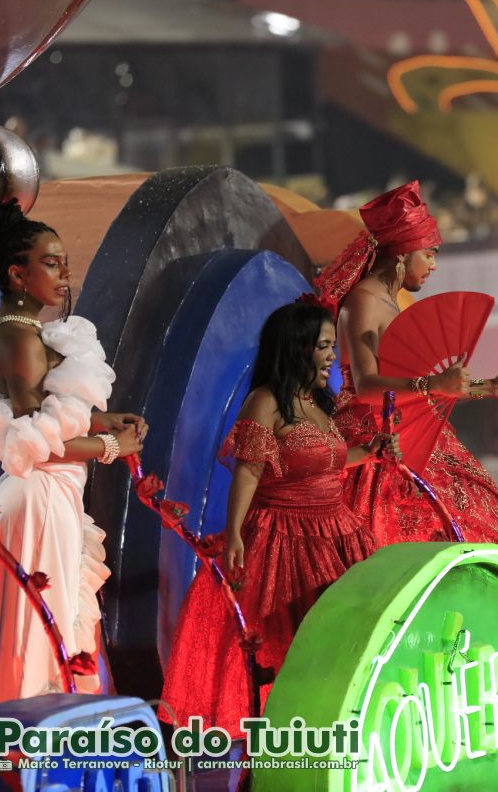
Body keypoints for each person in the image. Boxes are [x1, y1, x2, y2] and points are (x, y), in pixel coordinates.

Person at [161, 301, 395, 734]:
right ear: (297, 349)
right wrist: (233, 533)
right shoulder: (266, 401)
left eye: (332, 346)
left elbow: (325, 463)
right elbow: (249, 470)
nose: (331, 357)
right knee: (292, 648)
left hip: (338, 533)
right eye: (324, 346)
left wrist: (371, 452)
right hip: (286, 538)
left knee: (349, 642)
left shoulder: (320, 405)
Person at [0, 200, 146, 702]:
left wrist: (106, 419)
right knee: (45, 636)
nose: (65, 275)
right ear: (17, 274)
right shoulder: (18, 337)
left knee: (52, 630)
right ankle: (32, 759)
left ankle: (45, 755)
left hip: (51, 498)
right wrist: (110, 445)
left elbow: (46, 411)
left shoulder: (25, 331)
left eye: (64, 262)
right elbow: (35, 443)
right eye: (51, 263)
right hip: (40, 499)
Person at [315, 181, 498, 569]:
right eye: (430, 254)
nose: (435, 265)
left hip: (415, 435)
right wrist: (432, 385)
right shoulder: (362, 302)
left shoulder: (390, 300)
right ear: (403, 254)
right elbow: (368, 386)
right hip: (377, 443)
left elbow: (424, 388)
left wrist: (489, 387)